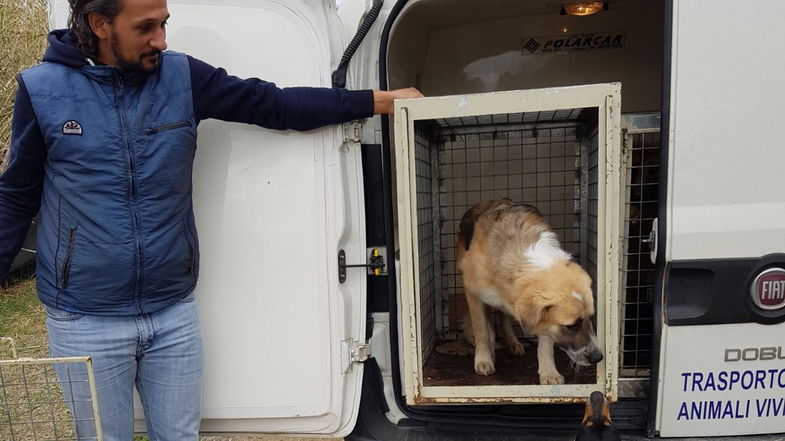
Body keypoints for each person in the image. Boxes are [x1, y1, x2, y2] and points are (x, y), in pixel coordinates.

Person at [0, 0, 422, 439]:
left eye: (163, 24)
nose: (161, 40)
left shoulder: (181, 76)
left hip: (171, 312)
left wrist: (379, 101)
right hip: (85, 317)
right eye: (146, 27)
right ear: (99, 24)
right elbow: (16, 194)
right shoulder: (42, 89)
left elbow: (273, 104)